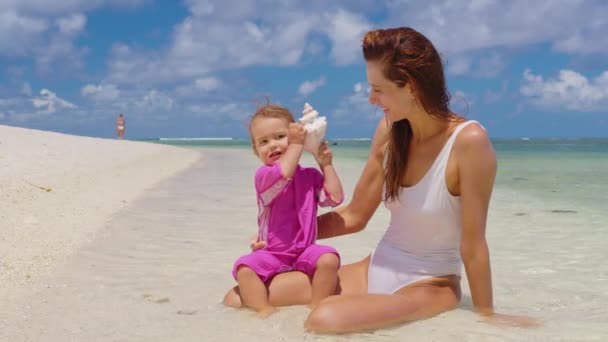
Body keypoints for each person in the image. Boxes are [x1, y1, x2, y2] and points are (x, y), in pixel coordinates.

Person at [223, 27, 538, 333]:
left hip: (429, 284)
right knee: (240, 296)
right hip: (373, 268)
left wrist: (486, 315)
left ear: (411, 86)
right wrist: (283, 232)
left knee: (325, 319)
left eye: (378, 89)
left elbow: (473, 243)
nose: (372, 100)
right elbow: (356, 215)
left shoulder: (468, 142)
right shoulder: (391, 130)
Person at [231, 103, 344, 317]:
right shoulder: (264, 176)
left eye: (280, 137)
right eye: (264, 142)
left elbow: (335, 198)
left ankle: (317, 305)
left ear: (293, 135)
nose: (272, 145)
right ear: (256, 151)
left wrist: (326, 165)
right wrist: (296, 145)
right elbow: (283, 174)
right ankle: (263, 309)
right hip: (272, 253)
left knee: (329, 258)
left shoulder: (309, 177)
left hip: (305, 251)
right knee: (244, 268)